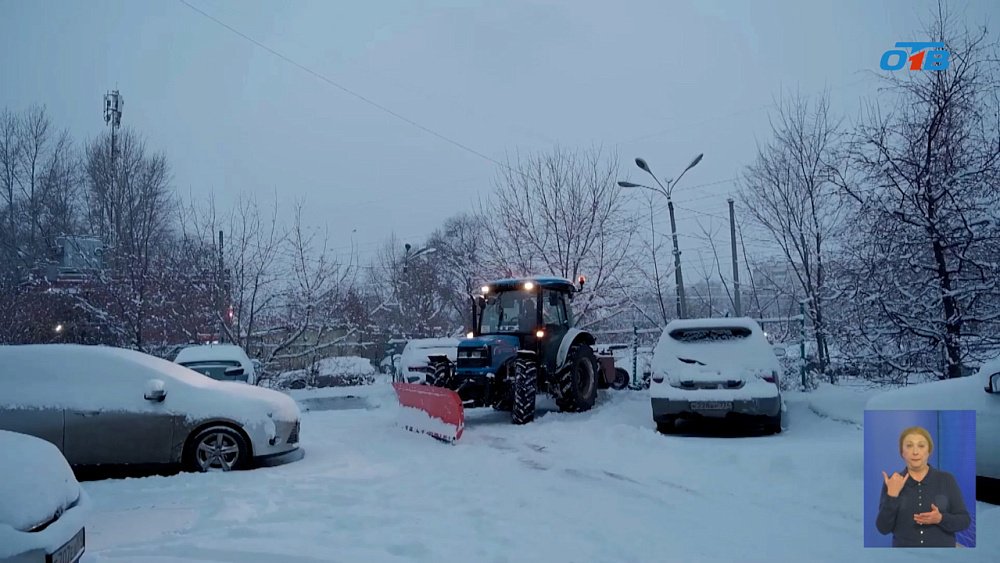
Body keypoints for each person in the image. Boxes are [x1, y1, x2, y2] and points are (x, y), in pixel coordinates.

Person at [875, 426, 971, 547]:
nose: (915, 452)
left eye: (921, 446)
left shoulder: (946, 479)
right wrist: (892, 496)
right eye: (909, 446)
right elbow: (883, 529)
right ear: (902, 452)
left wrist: (940, 518)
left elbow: (964, 521)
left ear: (929, 451)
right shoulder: (892, 482)